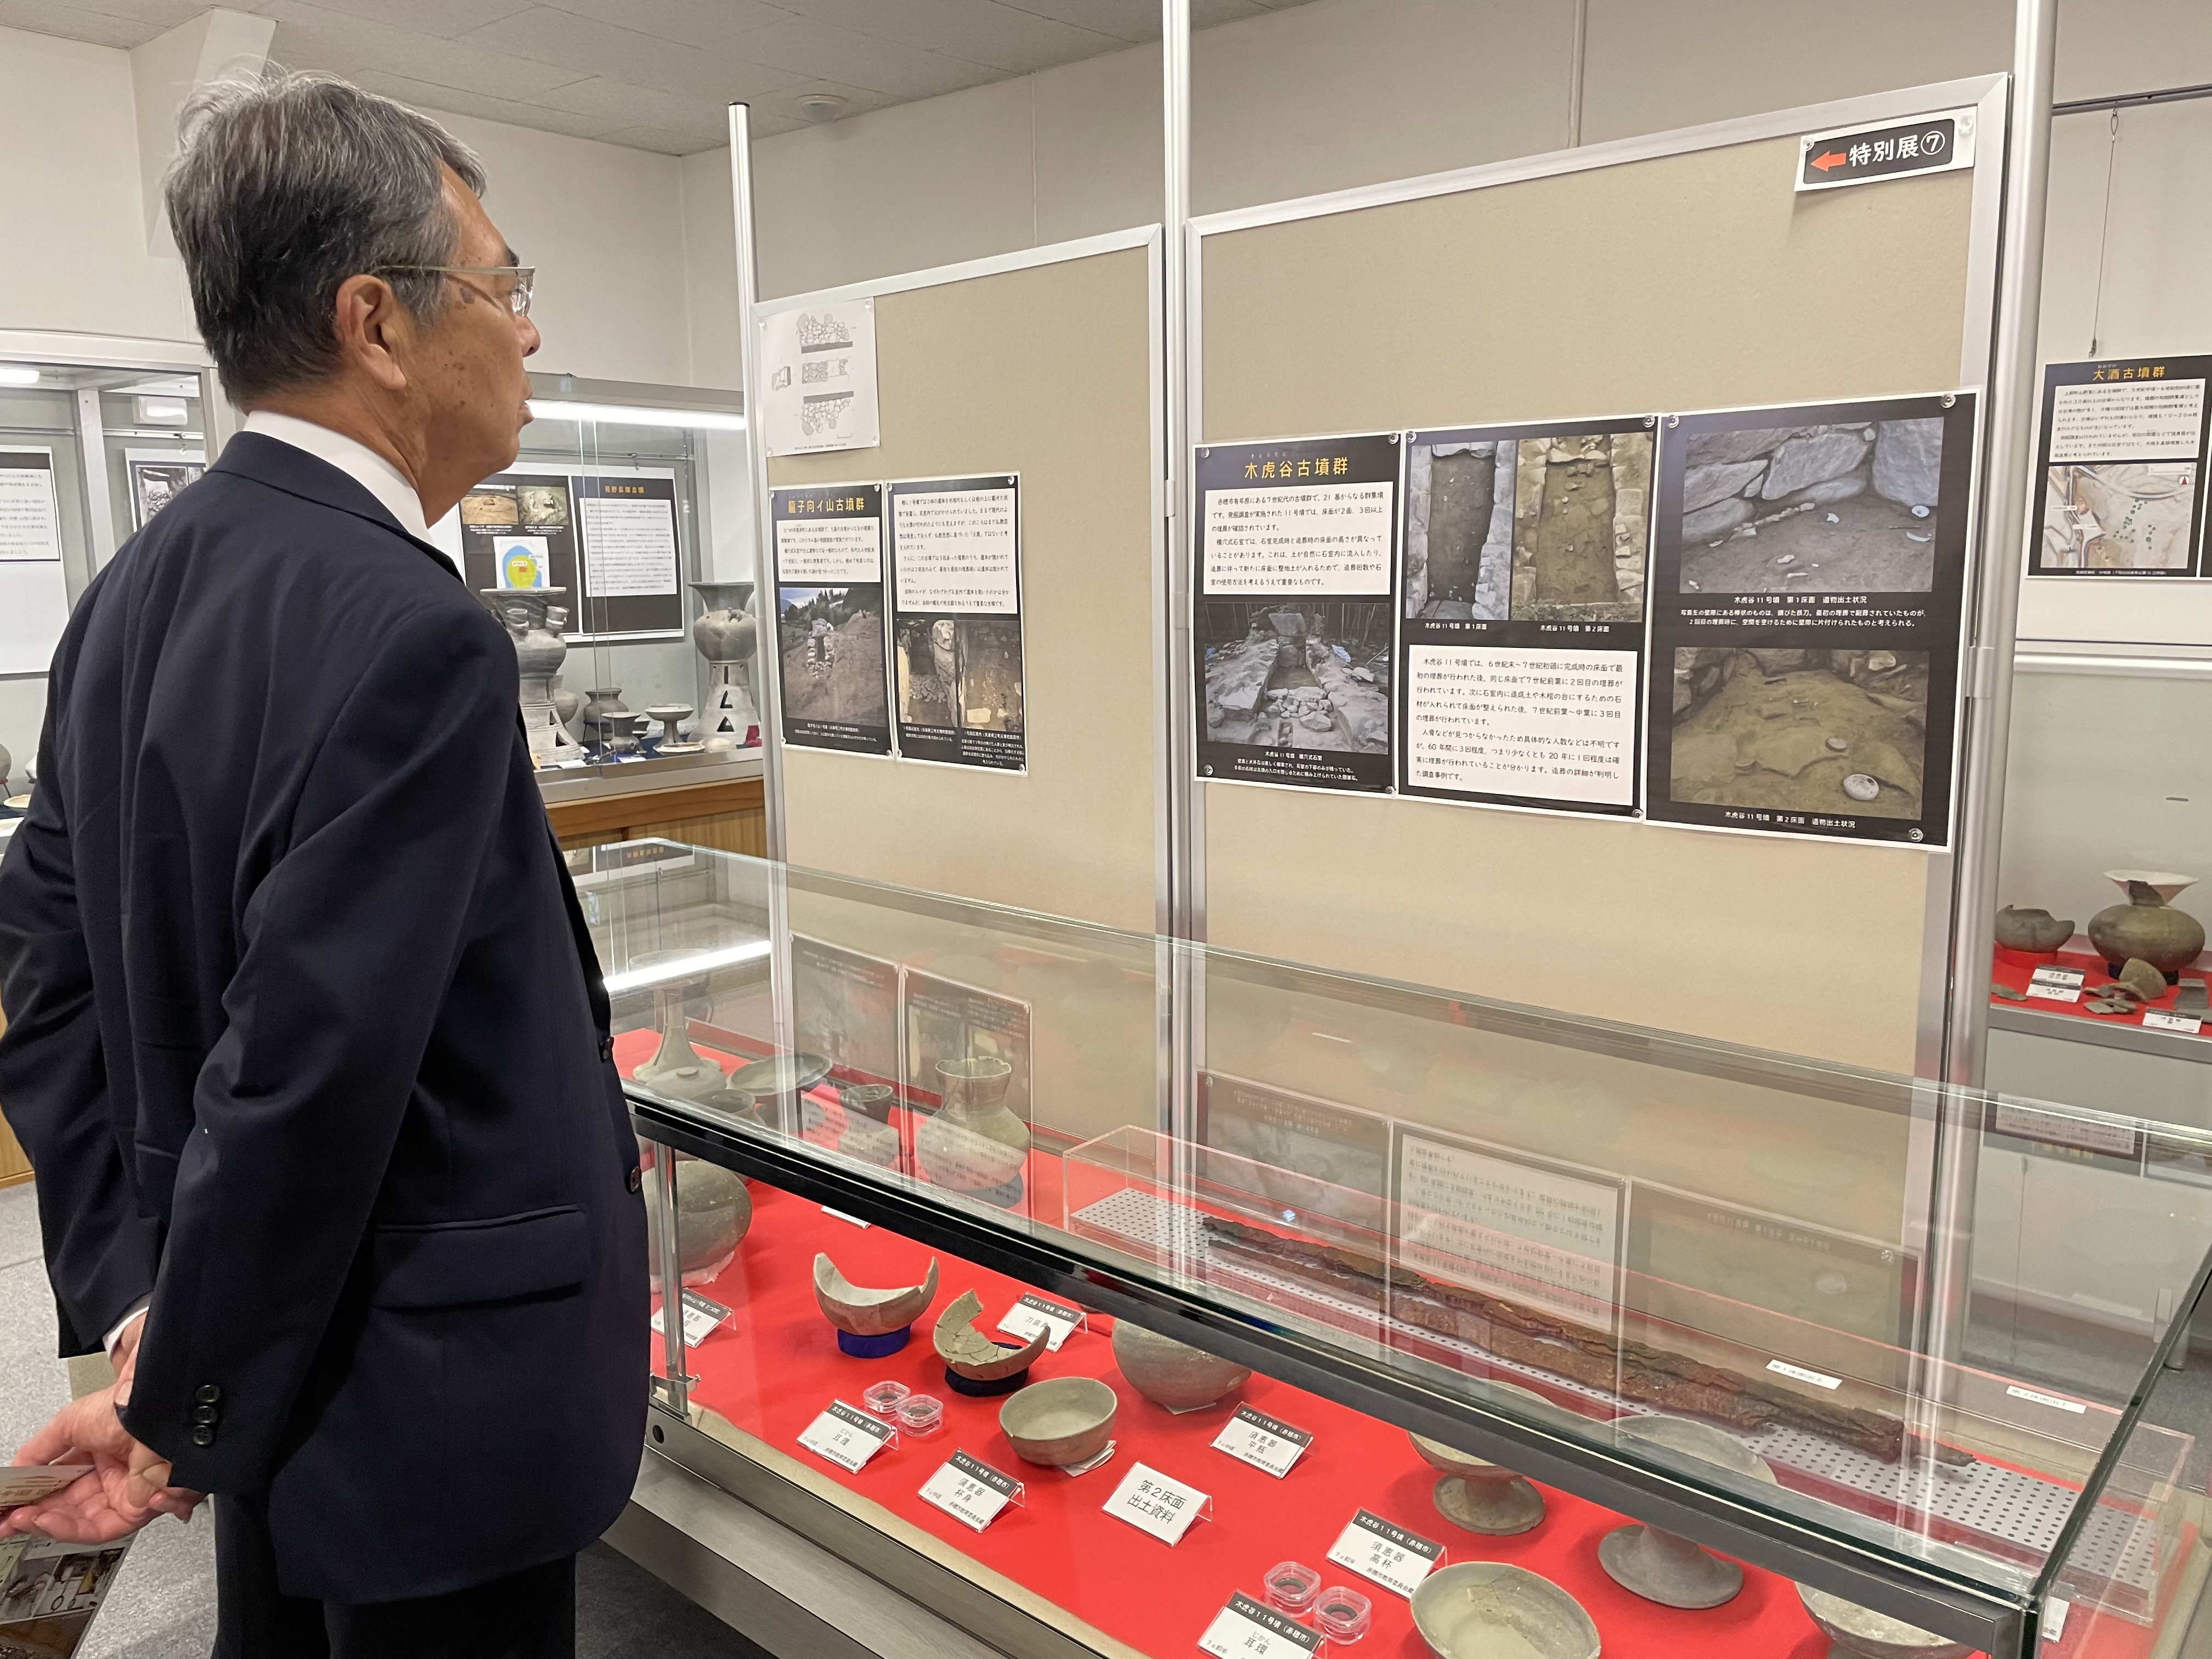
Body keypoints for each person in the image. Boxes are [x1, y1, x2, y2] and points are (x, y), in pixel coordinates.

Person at [0, 71, 646, 1657]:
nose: (529, 331)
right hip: (427, 1403)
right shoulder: (413, 632)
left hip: (273, 1386)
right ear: (378, 321)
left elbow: (46, 971)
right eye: (506, 287)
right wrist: (177, 1391)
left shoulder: (132, 594)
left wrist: (159, 1325)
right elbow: (307, 1070)